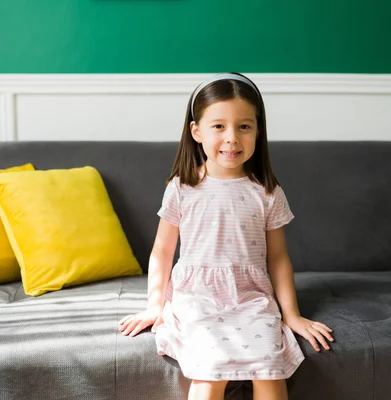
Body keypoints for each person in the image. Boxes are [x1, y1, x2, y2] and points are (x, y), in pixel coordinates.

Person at [118, 72, 334, 400]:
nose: (232, 138)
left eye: (244, 126)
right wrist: (154, 306)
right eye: (219, 126)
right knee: (210, 371)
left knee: (269, 370)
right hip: (196, 298)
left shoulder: (267, 193)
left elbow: (278, 258)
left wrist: (291, 315)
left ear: (257, 132)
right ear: (196, 131)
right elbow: (162, 252)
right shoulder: (182, 188)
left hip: (250, 298)